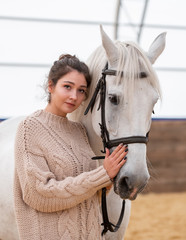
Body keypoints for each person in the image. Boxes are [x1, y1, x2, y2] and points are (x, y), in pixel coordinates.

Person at [13, 54, 128, 240]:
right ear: (51, 86)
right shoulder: (30, 128)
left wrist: (107, 180)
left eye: (81, 90)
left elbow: (89, 193)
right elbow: (39, 194)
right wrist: (101, 175)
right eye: (67, 87)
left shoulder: (79, 131)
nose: (74, 96)